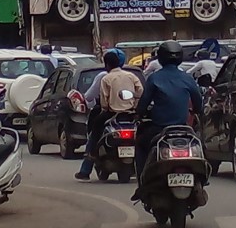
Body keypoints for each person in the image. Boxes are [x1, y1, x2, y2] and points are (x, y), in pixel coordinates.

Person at [132, 40, 204, 200]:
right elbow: (198, 102)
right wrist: (196, 111)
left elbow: (143, 103)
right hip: (184, 129)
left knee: (141, 145)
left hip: (158, 129)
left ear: (160, 57)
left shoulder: (154, 78)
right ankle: (202, 180)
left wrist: (138, 115)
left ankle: (142, 184)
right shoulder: (187, 78)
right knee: (200, 145)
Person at [76, 49, 142, 181]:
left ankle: (86, 169)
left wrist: (106, 108)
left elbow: (104, 101)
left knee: (94, 134)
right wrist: (135, 106)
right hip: (131, 114)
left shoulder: (106, 78)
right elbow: (140, 92)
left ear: (107, 65)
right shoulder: (131, 76)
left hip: (111, 114)